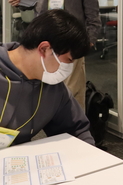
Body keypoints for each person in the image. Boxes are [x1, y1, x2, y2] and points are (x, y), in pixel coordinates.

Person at [0, 9, 93, 147]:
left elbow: (77, 131)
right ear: (44, 49)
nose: (69, 68)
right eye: (68, 60)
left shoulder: (54, 89)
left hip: (18, 158)